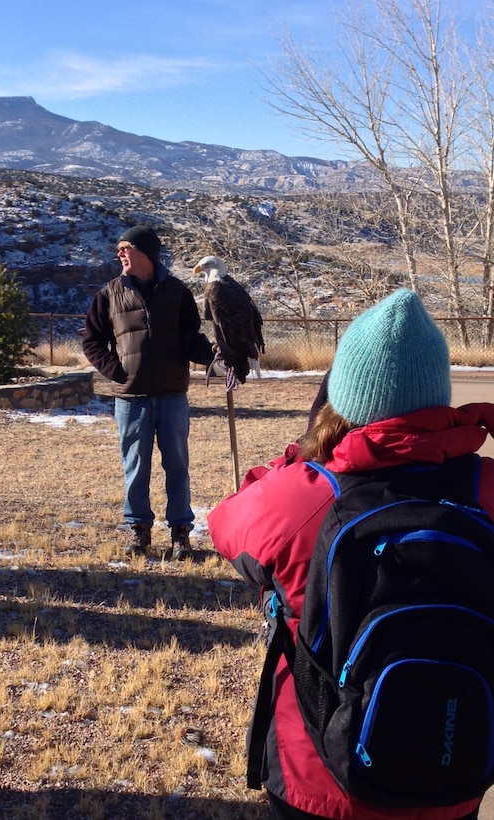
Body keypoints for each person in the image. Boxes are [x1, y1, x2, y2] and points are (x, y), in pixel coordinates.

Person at [208, 289, 493, 819]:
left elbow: (225, 523)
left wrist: (301, 455)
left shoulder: (306, 496)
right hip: (455, 767)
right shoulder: (484, 489)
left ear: (343, 396)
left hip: (319, 782)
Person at [82, 225, 214, 560]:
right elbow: (92, 342)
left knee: (178, 465)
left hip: (172, 395)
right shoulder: (109, 294)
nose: (120, 254)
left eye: (125, 247)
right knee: (136, 467)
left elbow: (190, 337)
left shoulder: (178, 292)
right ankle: (139, 532)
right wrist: (117, 370)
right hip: (131, 398)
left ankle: (181, 534)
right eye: (119, 249)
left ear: (146, 252)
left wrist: (214, 356)